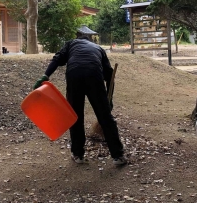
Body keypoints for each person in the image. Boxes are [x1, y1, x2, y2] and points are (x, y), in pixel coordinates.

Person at [33, 31, 127, 166]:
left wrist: (45, 75)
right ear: (90, 40)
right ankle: (118, 156)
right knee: (104, 116)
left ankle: (78, 154)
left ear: (77, 38)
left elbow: (57, 59)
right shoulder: (98, 48)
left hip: (74, 74)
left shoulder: (71, 44)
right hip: (94, 74)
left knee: (75, 115)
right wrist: (108, 99)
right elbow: (110, 76)